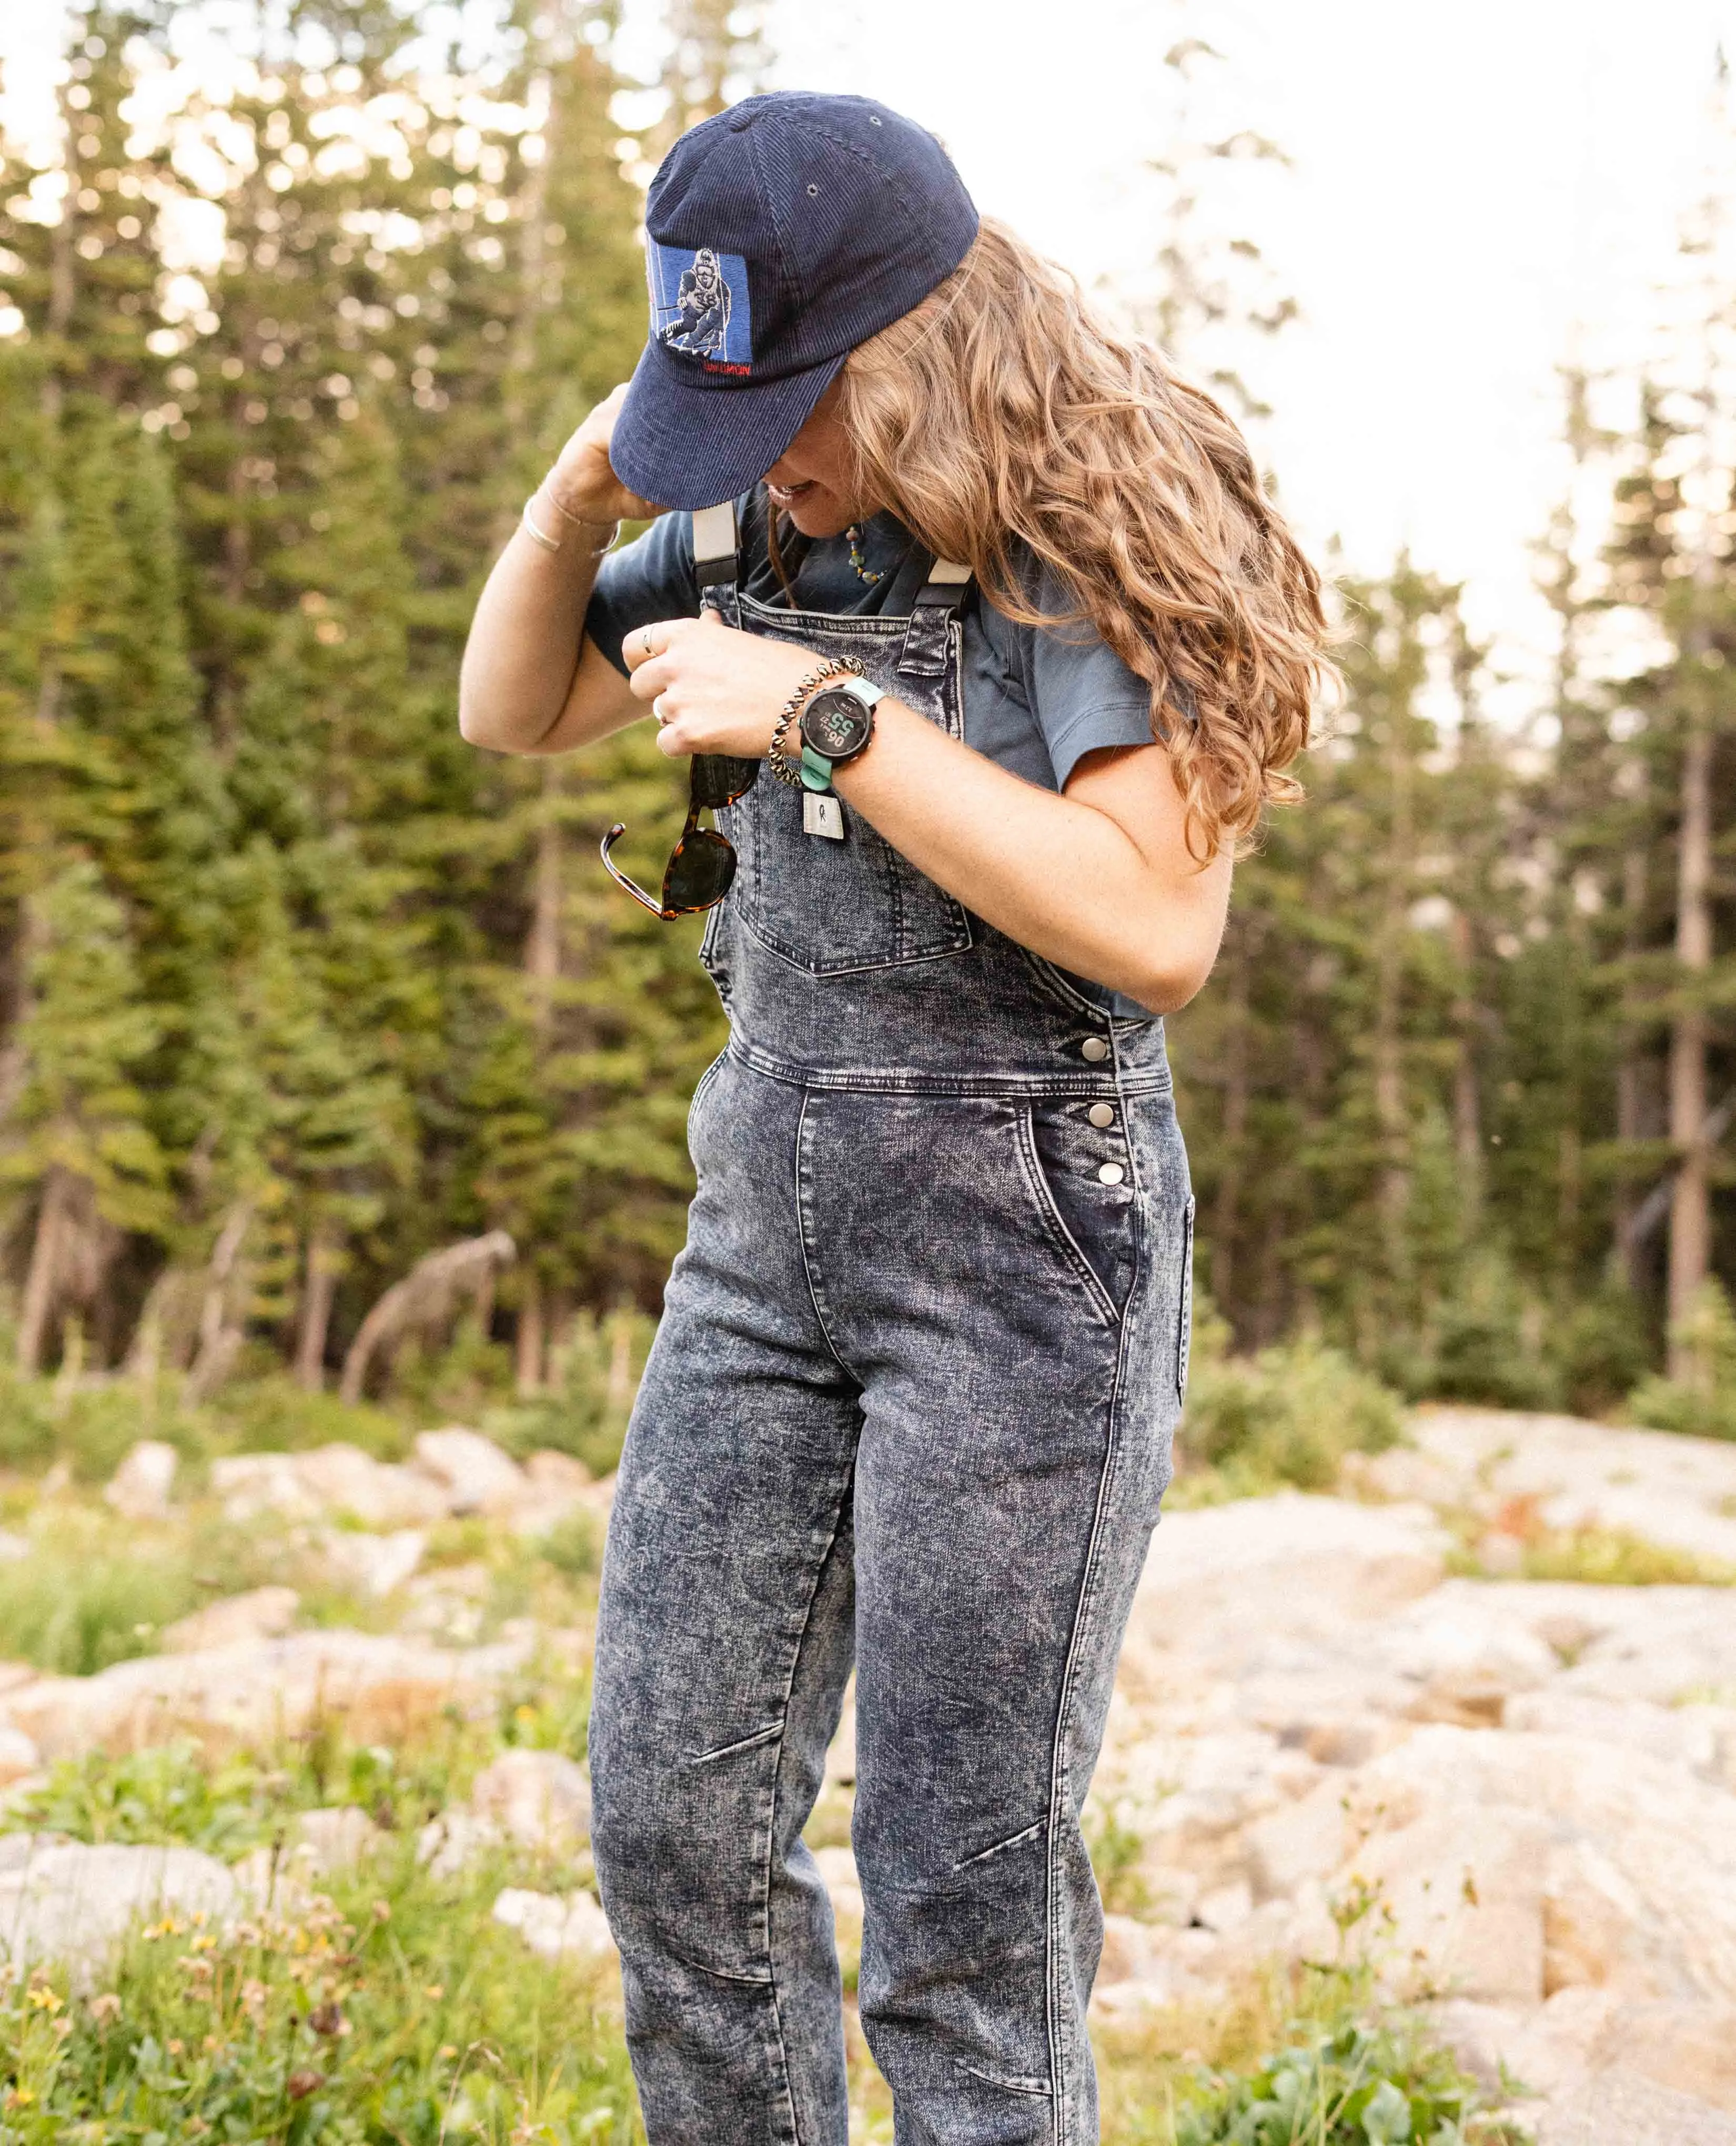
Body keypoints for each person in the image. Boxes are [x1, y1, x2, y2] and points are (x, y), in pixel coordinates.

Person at [459, 89, 1328, 2146]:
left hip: (1026, 1247)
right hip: (761, 1228)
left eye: (782, 405)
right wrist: (591, 492)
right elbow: (515, 710)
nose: (759, 459)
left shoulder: (1112, 536)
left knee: (963, 1890)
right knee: (674, 1821)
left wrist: (830, 715)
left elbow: (1152, 927)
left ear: (913, 351)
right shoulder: (759, 504)